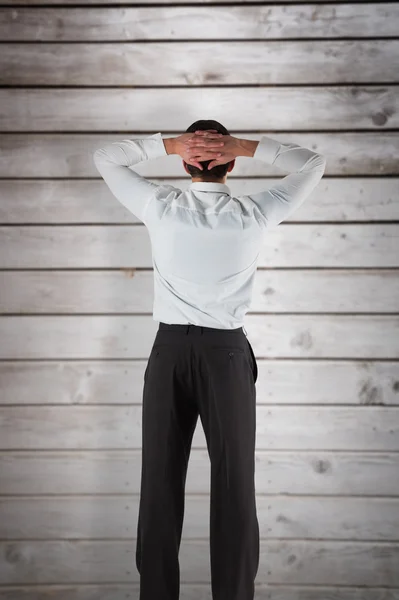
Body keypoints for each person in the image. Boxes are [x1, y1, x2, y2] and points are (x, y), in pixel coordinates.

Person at [93, 120, 326, 600]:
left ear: (183, 162)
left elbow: (106, 157)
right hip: (226, 356)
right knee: (235, 484)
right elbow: (312, 163)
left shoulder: (160, 206)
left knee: (159, 484)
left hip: (170, 354)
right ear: (233, 162)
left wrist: (168, 143)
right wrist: (244, 144)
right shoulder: (254, 212)